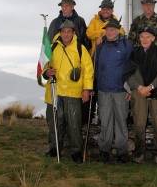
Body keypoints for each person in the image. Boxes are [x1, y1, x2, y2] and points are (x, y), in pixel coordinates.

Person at [43, 20, 94, 163]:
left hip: (73, 92)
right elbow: (45, 65)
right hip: (55, 91)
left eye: (69, 31)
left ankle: (76, 152)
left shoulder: (80, 48)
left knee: (74, 124)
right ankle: (54, 148)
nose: (66, 34)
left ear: (73, 33)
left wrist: (86, 89)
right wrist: (47, 72)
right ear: (60, 32)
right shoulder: (53, 47)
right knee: (54, 122)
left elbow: (88, 70)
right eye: (63, 31)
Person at [125, 26, 157, 164]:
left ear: (153, 38)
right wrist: (139, 87)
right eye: (142, 36)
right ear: (139, 38)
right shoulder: (134, 53)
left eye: (148, 36)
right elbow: (128, 74)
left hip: (156, 92)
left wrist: (150, 87)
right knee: (139, 123)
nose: (145, 39)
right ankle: (139, 153)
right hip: (138, 93)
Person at [95, 18, 132, 163]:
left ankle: (122, 151)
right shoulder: (100, 46)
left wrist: (130, 88)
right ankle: (104, 150)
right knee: (105, 121)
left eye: (112, 30)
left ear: (118, 30)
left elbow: (132, 67)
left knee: (121, 122)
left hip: (121, 90)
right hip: (104, 90)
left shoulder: (127, 45)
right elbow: (96, 67)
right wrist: (94, 87)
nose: (109, 32)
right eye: (107, 30)